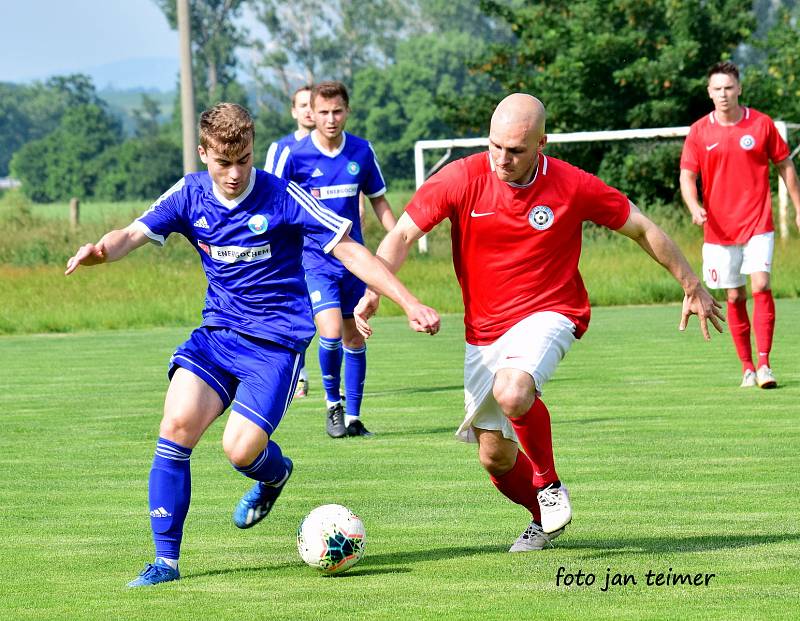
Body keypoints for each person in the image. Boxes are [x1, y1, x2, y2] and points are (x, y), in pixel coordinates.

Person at [65, 102, 439, 587]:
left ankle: (274, 473)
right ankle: (165, 562)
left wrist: (408, 302)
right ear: (204, 154)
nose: (235, 172)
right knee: (176, 426)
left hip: (275, 346)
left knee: (238, 451)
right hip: (217, 336)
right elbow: (132, 233)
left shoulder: (283, 196)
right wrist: (99, 251)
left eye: (243, 159)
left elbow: (350, 251)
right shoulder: (189, 194)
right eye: (223, 162)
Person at [355, 93, 723, 552]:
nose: (502, 159)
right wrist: (375, 290)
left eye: (516, 150)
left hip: (553, 311)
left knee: (514, 390)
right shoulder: (461, 178)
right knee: (495, 456)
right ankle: (541, 517)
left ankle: (549, 485)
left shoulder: (571, 184)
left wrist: (691, 283)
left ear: (541, 144)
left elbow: (643, 228)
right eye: (495, 146)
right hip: (483, 332)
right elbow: (403, 234)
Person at [277, 81, 396, 439]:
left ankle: (355, 418)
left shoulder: (361, 151)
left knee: (355, 339)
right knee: (329, 334)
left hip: (355, 263)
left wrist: (400, 237)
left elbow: (378, 200)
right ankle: (333, 405)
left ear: (347, 111)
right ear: (311, 113)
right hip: (314, 262)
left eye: (337, 111)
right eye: (323, 112)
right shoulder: (294, 156)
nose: (330, 119)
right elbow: (275, 205)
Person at [680, 61, 800, 389]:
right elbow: (687, 176)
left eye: (729, 88)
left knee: (761, 284)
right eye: (717, 89)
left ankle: (764, 365)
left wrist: (799, 207)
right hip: (719, 231)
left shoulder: (761, 125)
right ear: (709, 92)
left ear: (739, 89)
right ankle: (746, 366)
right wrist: (694, 206)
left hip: (758, 223)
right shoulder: (699, 132)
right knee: (734, 296)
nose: (723, 94)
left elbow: (785, 166)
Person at [264, 85, 316, 398]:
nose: (310, 110)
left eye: (314, 104)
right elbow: (270, 192)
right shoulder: (283, 149)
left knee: (336, 320)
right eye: (303, 105)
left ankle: (333, 385)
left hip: (328, 242)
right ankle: (299, 374)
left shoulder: (336, 148)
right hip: (295, 246)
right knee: (298, 307)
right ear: (294, 111)